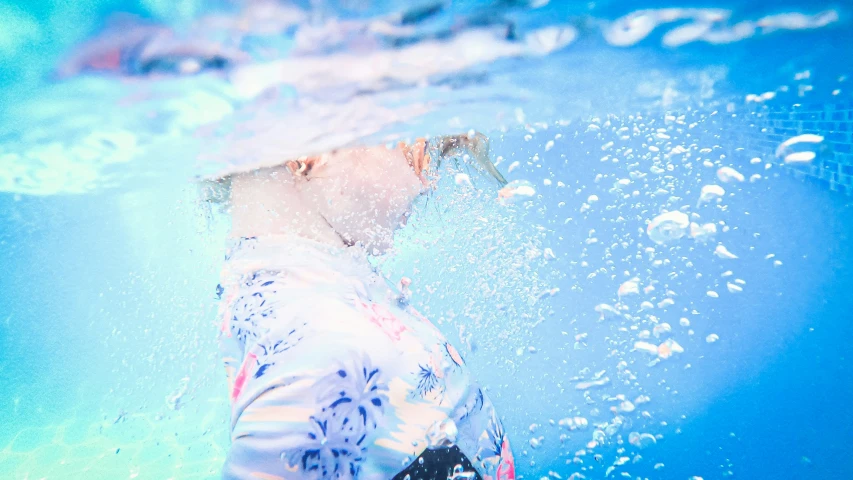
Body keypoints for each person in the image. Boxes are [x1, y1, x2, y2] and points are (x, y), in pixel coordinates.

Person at [205, 132, 514, 480]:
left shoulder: (294, 301)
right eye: (414, 144)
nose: (425, 180)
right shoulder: (326, 350)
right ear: (305, 139)